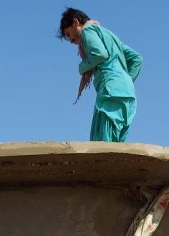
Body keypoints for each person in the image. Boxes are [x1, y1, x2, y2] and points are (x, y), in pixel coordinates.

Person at [59, 8, 142, 142]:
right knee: (116, 149)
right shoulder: (109, 35)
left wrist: (81, 68)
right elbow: (137, 59)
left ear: (75, 22)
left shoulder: (87, 31)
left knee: (102, 147)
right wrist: (124, 81)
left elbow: (99, 54)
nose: (70, 40)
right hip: (127, 95)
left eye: (69, 34)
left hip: (111, 93)